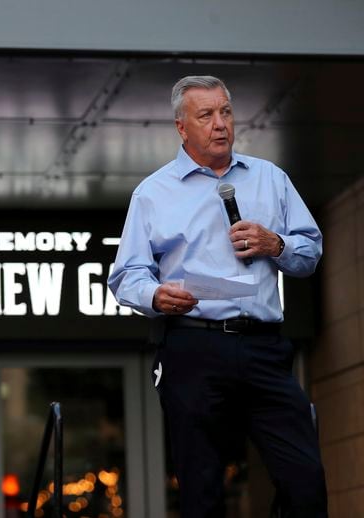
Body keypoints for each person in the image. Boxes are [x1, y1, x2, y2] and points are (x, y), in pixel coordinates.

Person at [107, 75, 328, 517]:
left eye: (225, 111)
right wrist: (155, 295)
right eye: (205, 115)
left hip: (264, 347)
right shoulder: (153, 193)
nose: (220, 124)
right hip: (193, 346)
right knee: (202, 489)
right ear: (181, 127)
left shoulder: (270, 178)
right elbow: (125, 275)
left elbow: (310, 252)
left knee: (305, 482)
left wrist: (276, 244)